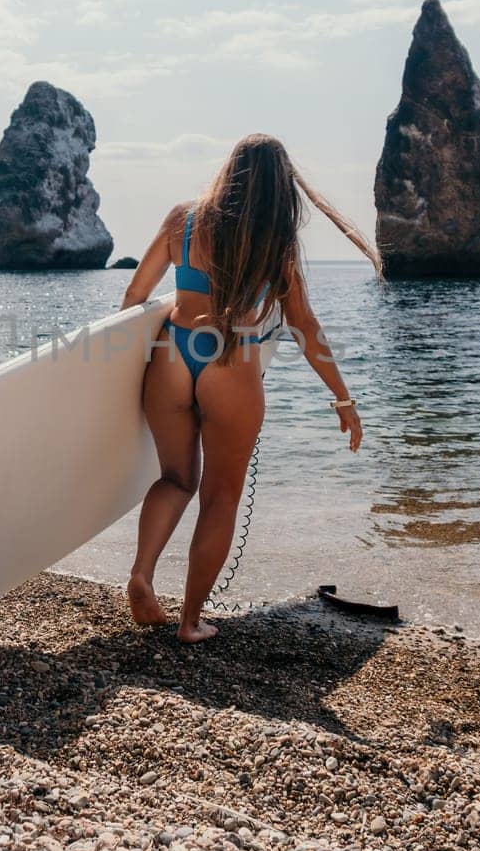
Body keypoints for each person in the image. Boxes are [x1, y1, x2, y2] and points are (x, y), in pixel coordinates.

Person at [117, 133, 384, 642]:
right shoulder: (275, 242)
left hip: (173, 353)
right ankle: (190, 622)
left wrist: (114, 368)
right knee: (220, 498)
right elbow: (305, 327)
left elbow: (136, 294)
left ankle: (141, 574)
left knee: (175, 478)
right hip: (231, 362)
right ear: (279, 188)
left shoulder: (183, 219)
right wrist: (343, 398)